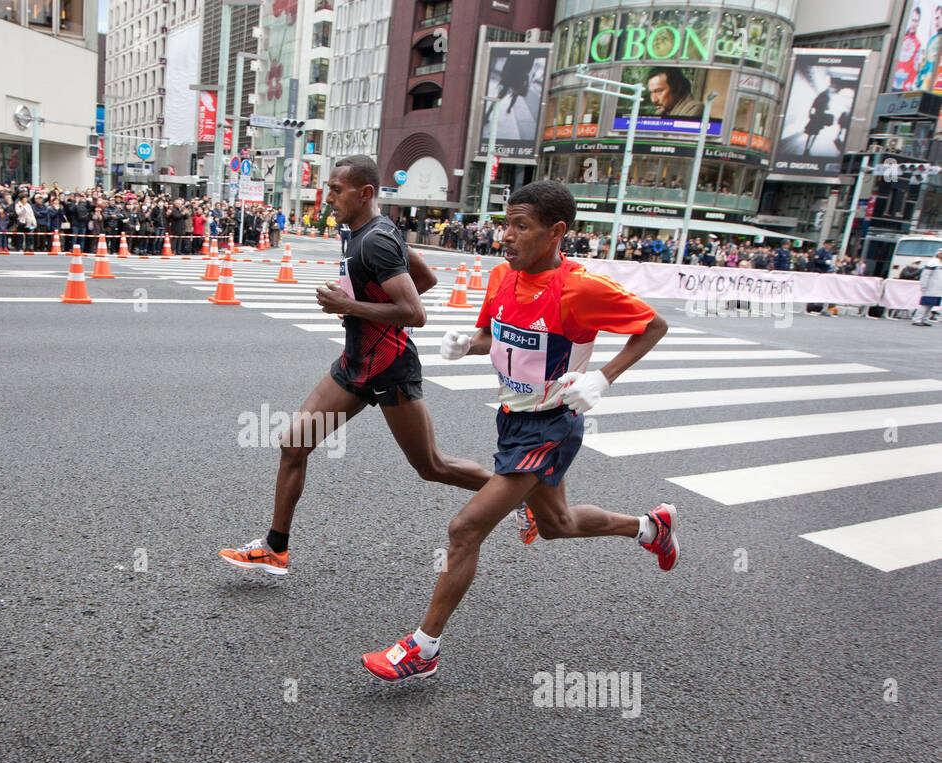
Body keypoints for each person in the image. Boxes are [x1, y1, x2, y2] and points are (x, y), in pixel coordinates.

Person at [358, 180, 675, 683]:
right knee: (557, 524)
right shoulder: (503, 275)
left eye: (520, 226)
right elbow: (492, 335)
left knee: (464, 529)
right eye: (505, 223)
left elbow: (654, 326)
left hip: (552, 425)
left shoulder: (580, 288)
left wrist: (602, 377)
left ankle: (423, 648)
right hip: (512, 419)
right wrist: (469, 344)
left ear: (556, 233)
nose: (505, 235)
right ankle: (649, 527)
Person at [219, 155, 493, 576]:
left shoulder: (376, 240)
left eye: (335, 189)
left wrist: (350, 305)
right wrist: (366, 307)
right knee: (294, 444)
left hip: (388, 367)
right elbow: (425, 277)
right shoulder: (362, 232)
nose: (327, 197)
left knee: (430, 466)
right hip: (355, 363)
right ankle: (275, 548)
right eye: (328, 188)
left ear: (365, 193)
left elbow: (415, 311)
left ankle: (515, 493)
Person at [913, 248, 942, 325]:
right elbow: (925, 275)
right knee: (924, 305)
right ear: (938, 254)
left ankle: (925, 319)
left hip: (938, 289)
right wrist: (924, 285)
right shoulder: (932, 262)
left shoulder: (940, 263)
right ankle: (917, 319)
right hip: (930, 287)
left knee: (931, 305)